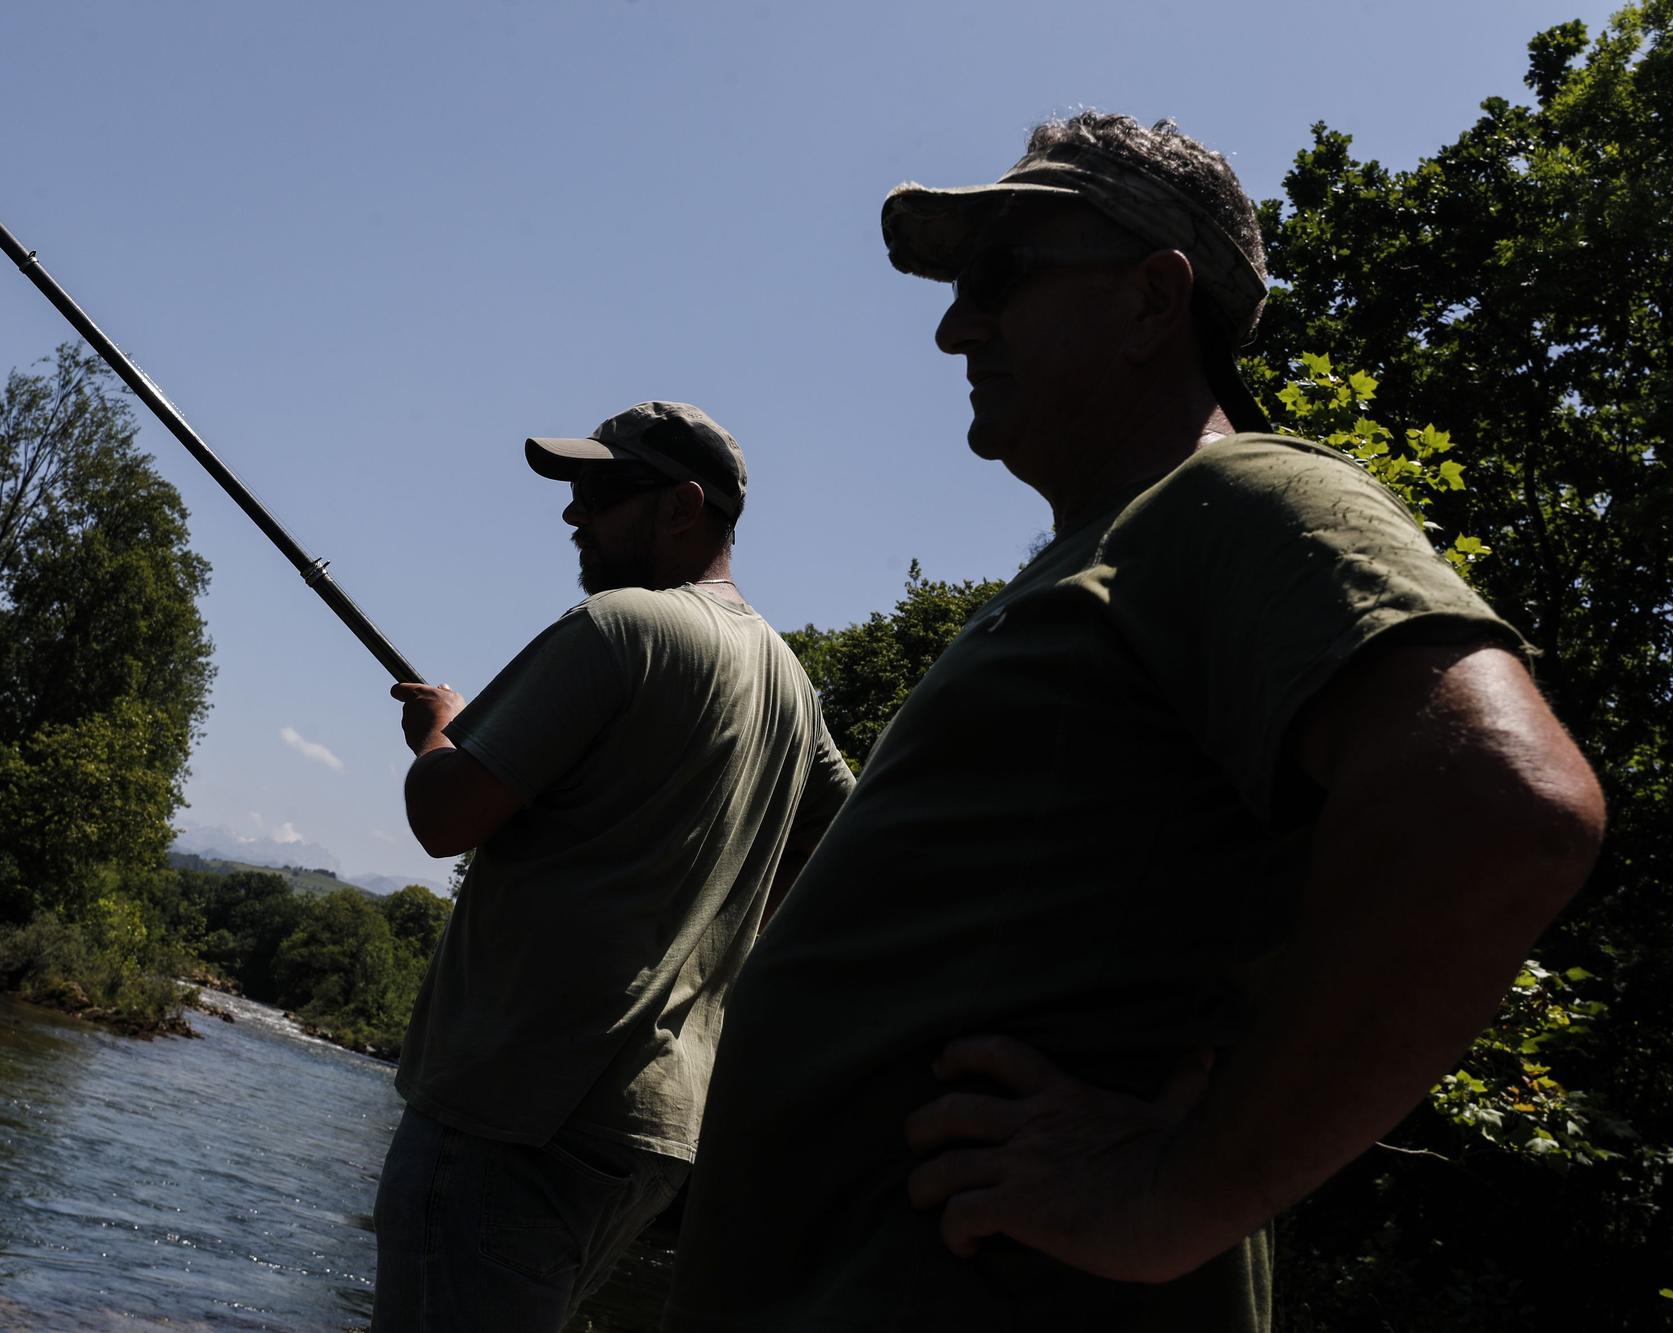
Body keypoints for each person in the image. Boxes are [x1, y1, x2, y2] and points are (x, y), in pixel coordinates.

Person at [665, 113, 1606, 1331]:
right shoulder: (1104, 558)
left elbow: (1501, 808)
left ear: (1155, 300)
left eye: (1002, 277)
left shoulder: (1243, 492)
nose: (957, 326)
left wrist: (1172, 1196)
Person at [371, 401, 855, 1333]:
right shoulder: (793, 689)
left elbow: (445, 816)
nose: (573, 514)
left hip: (511, 1110)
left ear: (681, 506)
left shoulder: (619, 627)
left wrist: (437, 733)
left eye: (600, 490)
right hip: (649, 1134)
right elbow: (845, 850)